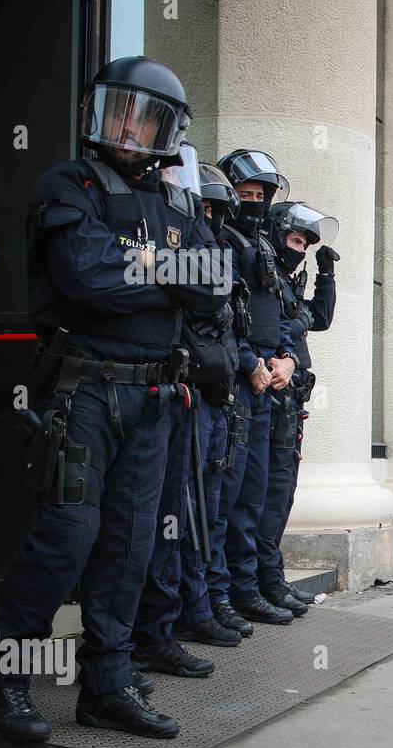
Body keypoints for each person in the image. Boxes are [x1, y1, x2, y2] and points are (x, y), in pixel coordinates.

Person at [0, 57, 228, 742]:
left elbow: (215, 284)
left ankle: (107, 686)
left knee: (129, 546)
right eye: (120, 110)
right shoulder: (71, 183)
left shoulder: (179, 199)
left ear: (164, 128)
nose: (128, 125)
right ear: (101, 112)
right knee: (64, 541)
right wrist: (167, 269)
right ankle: (3, 688)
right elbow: (88, 278)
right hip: (83, 393)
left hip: (152, 396)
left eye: (143, 115)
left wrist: (141, 265)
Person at [132, 148, 242, 679]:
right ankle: (138, 639)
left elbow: (214, 288)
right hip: (120, 386)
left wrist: (160, 268)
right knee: (126, 527)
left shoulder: (182, 218)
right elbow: (103, 275)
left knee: (188, 512)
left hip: (180, 390)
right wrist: (162, 268)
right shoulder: (119, 201)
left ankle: (164, 626)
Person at [211, 148, 300, 626]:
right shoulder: (222, 242)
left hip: (268, 384)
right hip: (240, 386)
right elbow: (219, 313)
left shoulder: (262, 246)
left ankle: (246, 589)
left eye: (259, 195)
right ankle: (222, 595)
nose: (253, 201)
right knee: (228, 498)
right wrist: (250, 363)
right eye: (244, 194)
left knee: (256, 496)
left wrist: (284, 359)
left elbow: (279, 316)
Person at [256, 201, 339, 611]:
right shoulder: (267, 277)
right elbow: (280, 326)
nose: (300, 249)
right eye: (295, 240)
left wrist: (326, 274)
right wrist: (300, 323)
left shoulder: (288, 281)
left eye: (306, 244)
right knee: (266, 497)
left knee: (281, 494)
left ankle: (272, 578)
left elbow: (319, 316)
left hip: (290, 406)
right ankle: (261, 583)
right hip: (269, 403)